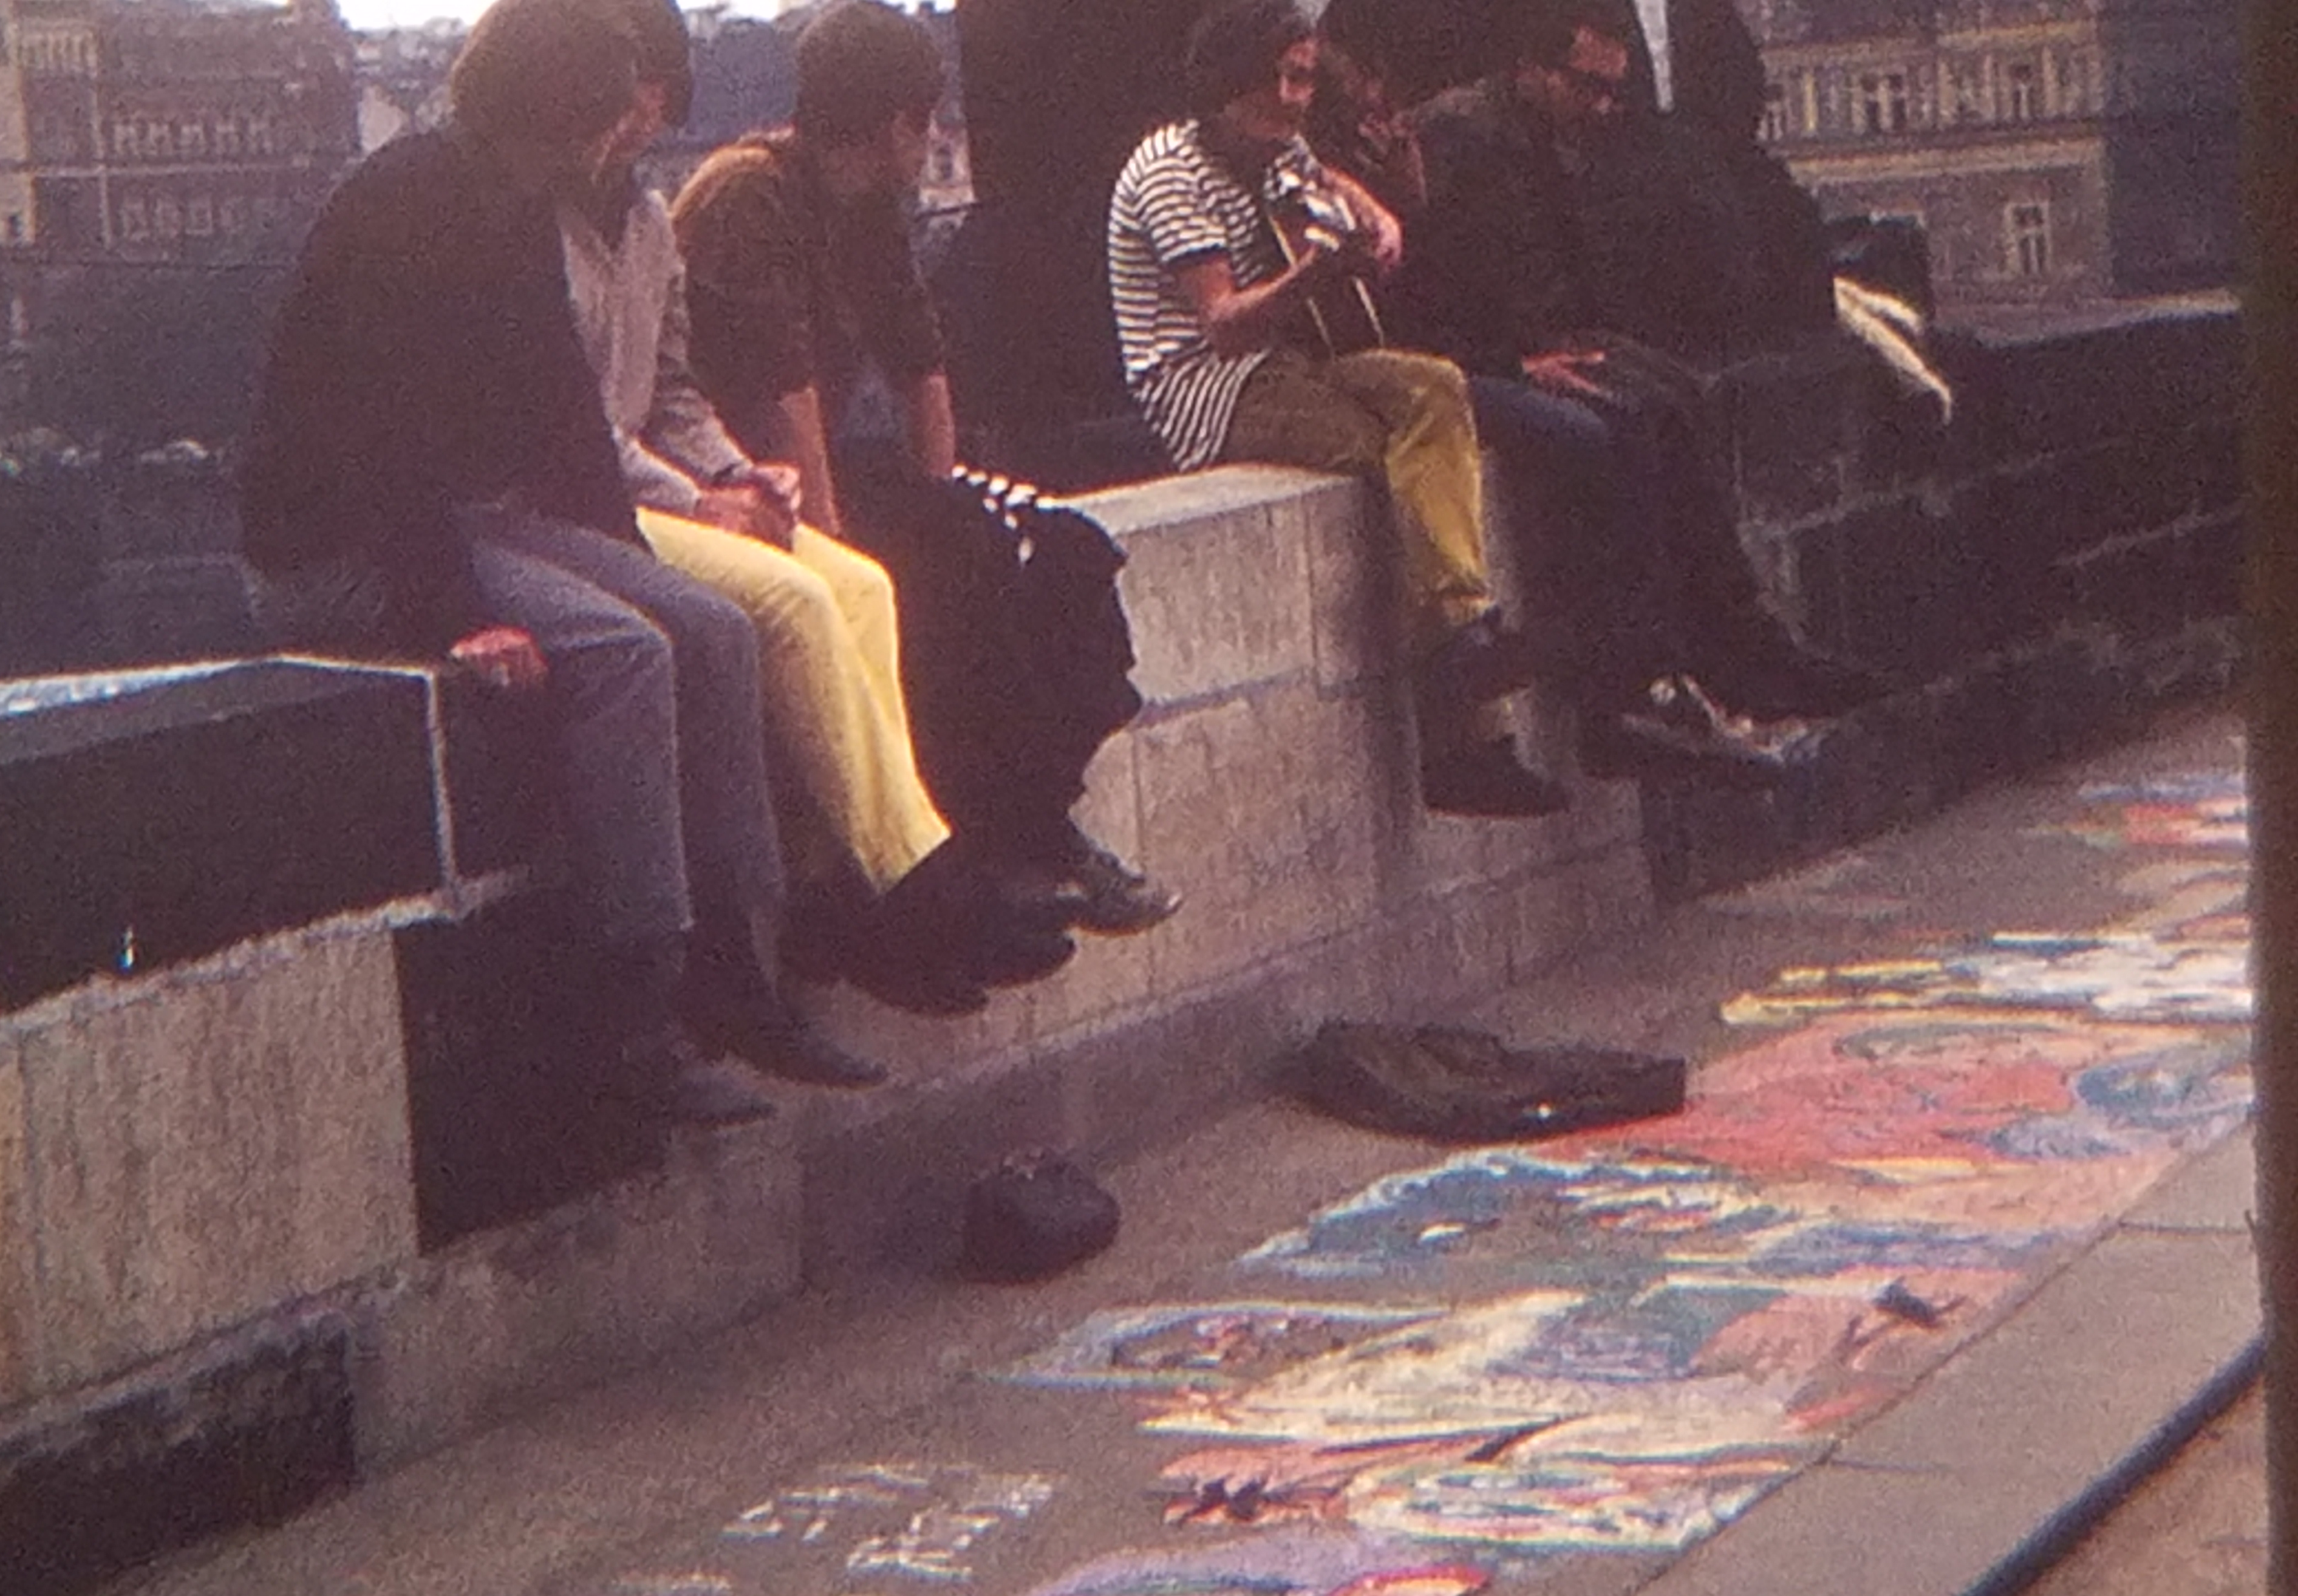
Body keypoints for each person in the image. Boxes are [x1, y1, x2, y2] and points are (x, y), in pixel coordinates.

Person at [238, 0, 881, 1124]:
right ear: (545, 120)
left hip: (469, 515)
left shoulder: (515, 206)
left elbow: (564, 427)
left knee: (712, 626)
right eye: (593, 126)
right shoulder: (397, 207)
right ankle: (636, 1012)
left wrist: (628, 554)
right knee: (624, 653)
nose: (607, 148)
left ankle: (742, 972)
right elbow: (378, 444)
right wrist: (450, 614)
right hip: (349, 545)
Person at [554, 0, 1072, 1017]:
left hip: (708, 474)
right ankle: (909, 893)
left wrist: (748, 479)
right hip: (615, 496)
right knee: (804, 600)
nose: (641, 125)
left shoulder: (648, 215)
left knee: (894, 579)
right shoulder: (723, 200)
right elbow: (603, 425)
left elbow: (674, 393)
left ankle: (968, 847)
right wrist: (723, 492)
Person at [672, 0, 1176, 930]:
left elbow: (919, 359)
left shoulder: (869, 206)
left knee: (1060, 548)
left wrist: (943, 494)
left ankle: (1034, 820)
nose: (937, 136)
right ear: (899, 120)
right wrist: (836, 533)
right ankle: (994, 838)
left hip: (824, 461)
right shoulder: (753, 197)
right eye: (929, 118)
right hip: (742, 478)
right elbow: (788, 392)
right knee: (939, 575)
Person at [1386, 0, 1879, 765]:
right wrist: (1510, 365)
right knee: (1611, 428)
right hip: (1471, 360)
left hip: (1539, 343)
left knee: (1675, 399)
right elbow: (1424, 281)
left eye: (1613, 91)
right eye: (1588, 86)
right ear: (1531, 69)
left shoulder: (1552, 133)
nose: (1604, 107)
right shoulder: (1458, 136)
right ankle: (1633, 686)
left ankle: (1739, 643)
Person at [1105, 0, 1566, 819]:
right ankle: (1468, 715)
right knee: (1396, 461)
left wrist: (1378, 216)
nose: (1295, 99)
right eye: (1281, 79)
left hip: (1296, 358)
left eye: (1305, 79)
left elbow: (1324, 177)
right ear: (1230, 81)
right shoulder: (1170, 171)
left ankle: (1465, 634)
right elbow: (1220, 323)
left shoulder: (1276, 149)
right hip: (1213, 390)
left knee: (1434, 388)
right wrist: (1313, 278)